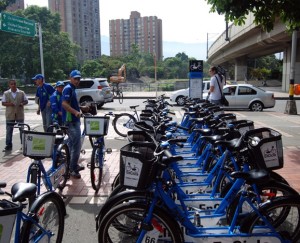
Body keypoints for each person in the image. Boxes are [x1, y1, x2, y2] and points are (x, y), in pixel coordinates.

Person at [61, 70, 88, 179]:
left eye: (78, 79)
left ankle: (71, 165)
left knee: (72, 145)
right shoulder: (68, 88)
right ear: (70, 78)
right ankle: (72, 169)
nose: (77, 81)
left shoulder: (72, 89)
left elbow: (72, 104)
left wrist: (81, 108)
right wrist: (76, 112)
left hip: (74, 120)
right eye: (75, 78)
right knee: (76, 145)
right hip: (71, 121)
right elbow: (64, 104)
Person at [1, 79, 28, 152]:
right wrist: (10, 104)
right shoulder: (6, 93)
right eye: (11, 84)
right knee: (9, 130)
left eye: (14, 84)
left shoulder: (21, 92)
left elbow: (26, 101)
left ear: (16, 84)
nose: (13, 85)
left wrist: (22, 103)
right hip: (10, 114)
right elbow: (3, 103)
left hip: (19, 113)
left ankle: (23, 145)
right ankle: (8, 145)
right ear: (9, 85)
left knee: (22, 129)